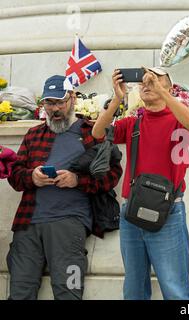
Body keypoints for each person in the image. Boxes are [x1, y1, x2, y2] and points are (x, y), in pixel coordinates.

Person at [7, 75, 123, 300]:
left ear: (72, 98)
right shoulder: (33, 135)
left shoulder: (91, 132)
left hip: (69, 225)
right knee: (20, 293)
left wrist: (77, 181)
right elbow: (15, 175)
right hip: (28, 224)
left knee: (68, 292)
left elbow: (112, 174)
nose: (55, 108)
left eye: (60, 101)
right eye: (50, 103)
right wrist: (32, 177)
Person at [92, 67, 189, 300]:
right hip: (131, 210)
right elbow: (97, 133)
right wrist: (118, 97)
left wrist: (162, 91)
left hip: (168, 211)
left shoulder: (178, 120)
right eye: (144, 81)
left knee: (175, 288)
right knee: (134, 287)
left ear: (169, 87)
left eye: (155, 80)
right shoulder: (134, 122)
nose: (147, 84)